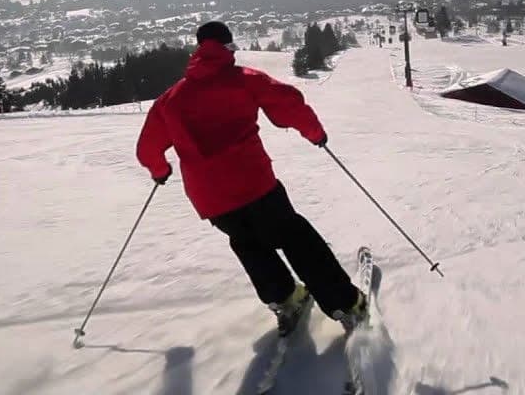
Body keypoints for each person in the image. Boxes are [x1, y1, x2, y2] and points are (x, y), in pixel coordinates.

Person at [136, 21, 367, 334]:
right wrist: (315, 133)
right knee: (295, 238)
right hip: (254, 185)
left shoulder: (171, 99)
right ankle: (345, 304)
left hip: (211, 200)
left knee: (248, 243)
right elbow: (287, 103)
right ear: (227, 47)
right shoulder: (243, 79)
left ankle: (285, 299)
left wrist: (160, 170)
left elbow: (147, 148)